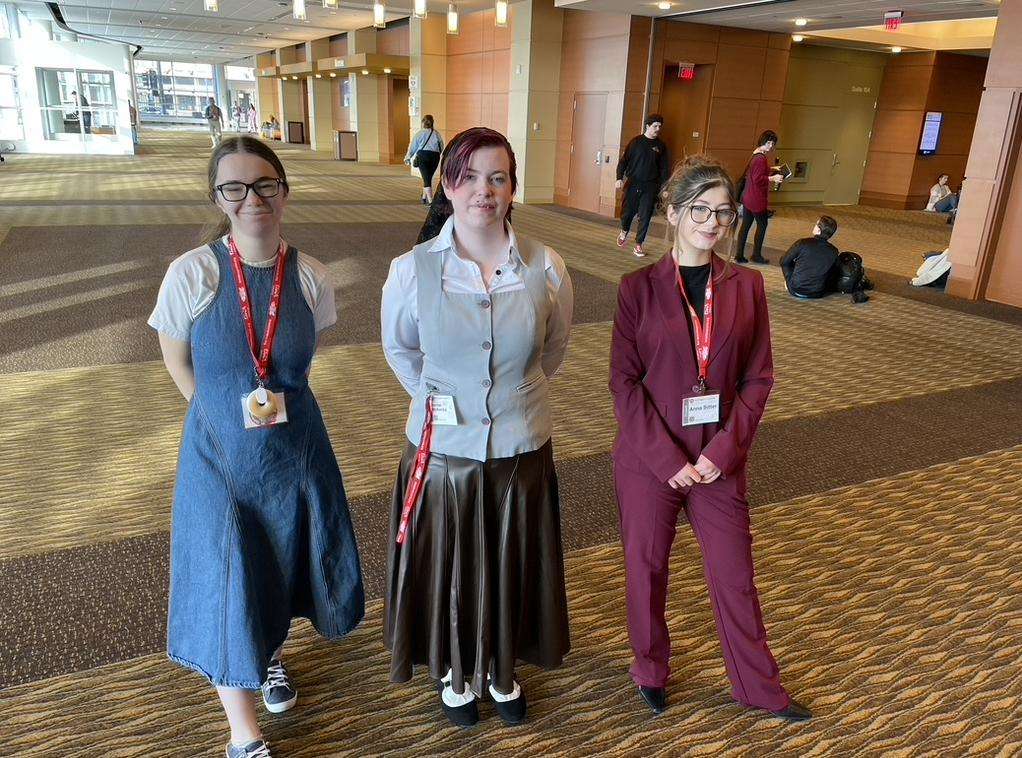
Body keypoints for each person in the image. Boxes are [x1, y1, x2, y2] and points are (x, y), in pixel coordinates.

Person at [148, 136, 365, 758]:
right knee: (226, 571)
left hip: (294, 448)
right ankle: (243, 735)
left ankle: (267, 653)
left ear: (284, 191)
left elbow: (301, 360)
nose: (251, 200)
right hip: (219, 456)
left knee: (280, 561)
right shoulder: (192, 273)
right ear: (219, 197)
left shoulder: (312, 276)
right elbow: (179, 364)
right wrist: (219, 418)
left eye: (264, 185)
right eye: (234, 188)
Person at [381, 127, 573, 729]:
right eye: (467, 176)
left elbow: (554, 349)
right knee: (453, 566)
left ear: (513, 187)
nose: (482, 191)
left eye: (497, 177)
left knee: (510, 559)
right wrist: (445, 401)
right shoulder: (411, 270)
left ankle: (501, 668)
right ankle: (455, 670)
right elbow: (401, 352)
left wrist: (505, 399)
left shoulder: (545, 266)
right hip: (444, 456)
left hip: (520, 446)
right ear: (446, 184)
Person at [609, 155, 811, 723]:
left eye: (724, 211)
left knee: (735, 576)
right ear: (673, 213)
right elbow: (623, 384)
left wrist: (721, 455)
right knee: (645, 570)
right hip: (652, 459)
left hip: (719, 458)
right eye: (700, 209)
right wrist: (667, 458)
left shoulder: (745, 286)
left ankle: (758, 687)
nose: (714, 221)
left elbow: (758, 377)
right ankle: (649, 668)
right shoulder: (637, 289)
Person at [616, 114, 670, 258]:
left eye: (660, 126)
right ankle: (624, 230)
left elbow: (664, 169)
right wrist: (619, 178)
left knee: (645, 216)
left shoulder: (661, 146)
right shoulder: (635, 142)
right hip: (633, 183)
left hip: (650, 186)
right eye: (655, 126)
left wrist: (665, 188)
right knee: (627, 214)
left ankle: (639, 244)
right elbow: (623, 162)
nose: (658, 129)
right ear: (647, 126)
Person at [735, 130, 784, 264]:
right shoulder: (761, 159)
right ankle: (756, 255)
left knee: (745, 226)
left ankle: (739, 255)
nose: (770, 146)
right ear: (763, 141)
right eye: (768, 143)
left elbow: (757, 171)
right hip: (757, 200)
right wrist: (773, 178)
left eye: (772, 143)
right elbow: (758, 178)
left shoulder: (756, 153)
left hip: (748, 197)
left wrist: (773, 168)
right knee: (762, 225)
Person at [779, 215, 840, 299]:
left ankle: (789, 283)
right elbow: (832, 273)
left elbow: (783, 262)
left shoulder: (803, 243)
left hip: (795, 290)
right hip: (818, 293)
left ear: (819, 230)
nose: (814, 226)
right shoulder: (834, 251)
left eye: (816, 224)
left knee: (786, 260)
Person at [404, 114, 444, 205]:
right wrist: (438, 154)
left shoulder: (419, 134)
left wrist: (408, 157)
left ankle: (431, 202)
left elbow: (412, 147)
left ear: (423, 123)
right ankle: (423, 197)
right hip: (435, 157)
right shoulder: (436, 134)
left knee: (426, 179)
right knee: (428, 177)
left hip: (423, 156)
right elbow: (441, 146)